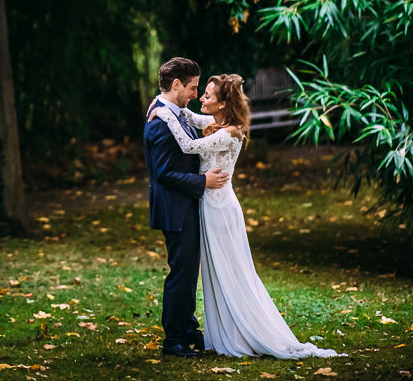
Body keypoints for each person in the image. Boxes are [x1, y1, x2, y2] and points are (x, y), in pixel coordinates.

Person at [152, 72, 345, 359]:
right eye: (200, 92)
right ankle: (224, 327)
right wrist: (165, 106)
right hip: (210, 206)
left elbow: (188, 146)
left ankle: (245, 329)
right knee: (217, 272)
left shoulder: (229, 132)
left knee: (233, 271)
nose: (201, 98)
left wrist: (165, 117)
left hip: (219, 210)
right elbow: (192, 119)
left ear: (222, 104)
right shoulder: (220, 123)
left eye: (207, 95)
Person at [143, 57, 229, 358]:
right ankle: (175, 340)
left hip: (185, 205)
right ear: (176, 84)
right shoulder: (159, 120)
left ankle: (188, 328)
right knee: (181, 274)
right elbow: (164, 173)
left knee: (189, 271)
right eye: (192, 88)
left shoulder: (176, 113)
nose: (195, 94)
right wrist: (202, 181)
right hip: (175, 209)